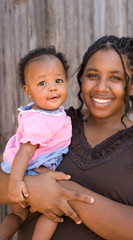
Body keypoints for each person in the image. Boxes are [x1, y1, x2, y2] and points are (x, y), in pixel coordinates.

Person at [1, 35, 133, 240]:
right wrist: (33, 188)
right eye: (93, 75)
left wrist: (67, 194)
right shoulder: (55, 122)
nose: (101, 87)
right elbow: (5, 173)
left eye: (115, 77)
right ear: (81, 78)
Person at [0, 46, 74, 240]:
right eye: (42, 83)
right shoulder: (41, 121)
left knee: (17, 215)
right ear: (28, 91)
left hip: (28, 168)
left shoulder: (48, 113)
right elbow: (25, 151)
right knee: (54, 214)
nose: (52, 87)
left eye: (58, 81)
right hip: (26, 170)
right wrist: (16, 183)